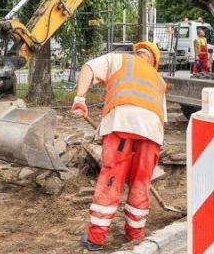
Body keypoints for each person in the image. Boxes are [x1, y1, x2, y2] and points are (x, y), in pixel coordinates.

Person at [70, 41, 166, 251]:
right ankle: (135, 235)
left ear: (138, 52)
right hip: (152, 132)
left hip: (121, 124)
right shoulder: (158, 79)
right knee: (141, 182)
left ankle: (95, 239)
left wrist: (80, 99)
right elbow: (161, 117)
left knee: (111, 179)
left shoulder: (120, 59)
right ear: (154, 61)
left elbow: (88, 67)